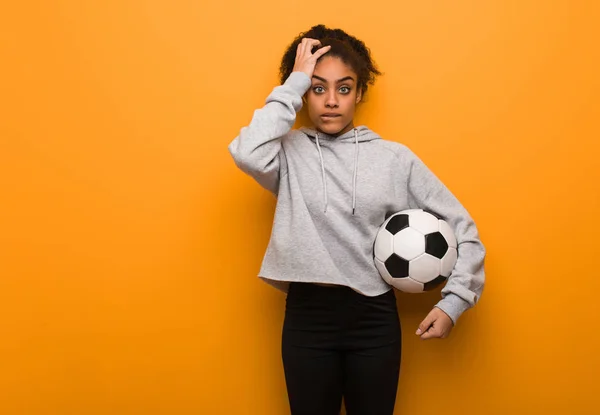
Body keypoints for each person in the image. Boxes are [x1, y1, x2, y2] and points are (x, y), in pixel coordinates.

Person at [228, 24, 486, 415]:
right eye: (317, 88)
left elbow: (463, 229)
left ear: (359, 93)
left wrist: (454, 302)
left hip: (374, 321)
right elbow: (246, 152)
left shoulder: (394, 159)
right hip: (307, 319)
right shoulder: (287, 153)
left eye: (344, 88)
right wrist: (292, 85)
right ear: (302, 94)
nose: (331, 101)